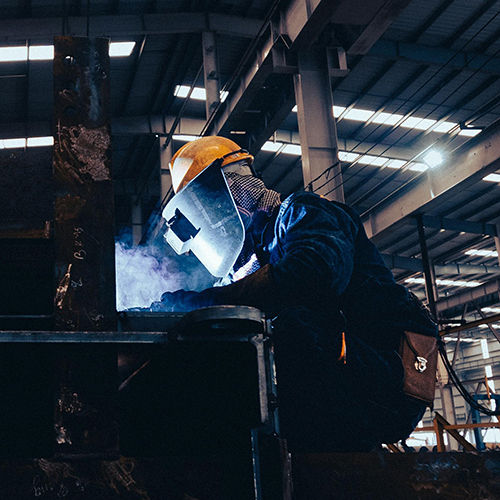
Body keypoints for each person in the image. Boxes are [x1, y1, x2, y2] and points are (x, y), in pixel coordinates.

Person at [148, 135, 437, 452]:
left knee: (292, 325)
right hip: (337, 386)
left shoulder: (304, 213)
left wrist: (199, 303)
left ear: (230, 190)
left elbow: (311, 276)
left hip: (383, 371)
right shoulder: (247, 261)